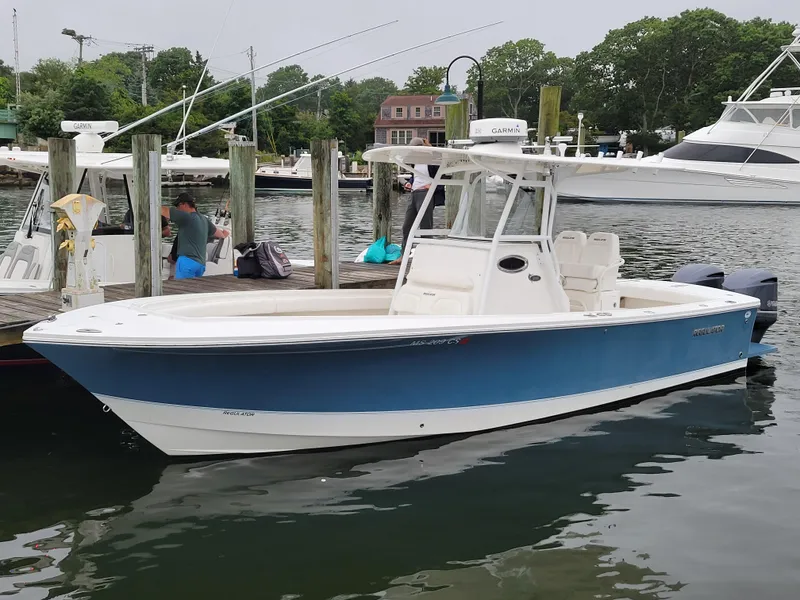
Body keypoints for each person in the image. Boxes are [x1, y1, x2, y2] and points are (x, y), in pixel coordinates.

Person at [161, 192, 229, 279]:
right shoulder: (204, 220)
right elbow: (221, 235)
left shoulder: (186, 216)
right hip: (200, 265)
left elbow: (162, 210)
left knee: (183, 290)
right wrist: (225, 233)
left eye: (177, 206)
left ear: (184, 204)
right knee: (193, 290)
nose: (177, 208)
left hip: (186, 262)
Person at [391, 137, 437, 264]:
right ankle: (403, 256)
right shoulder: (415, 161)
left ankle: (426, 257)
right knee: (407, 226)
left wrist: (432, 186)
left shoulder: (431, 159)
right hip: (414, 193)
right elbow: (415, 176)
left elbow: (442, 174)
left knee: (425, 226)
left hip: (425, 193)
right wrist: (410, 183)